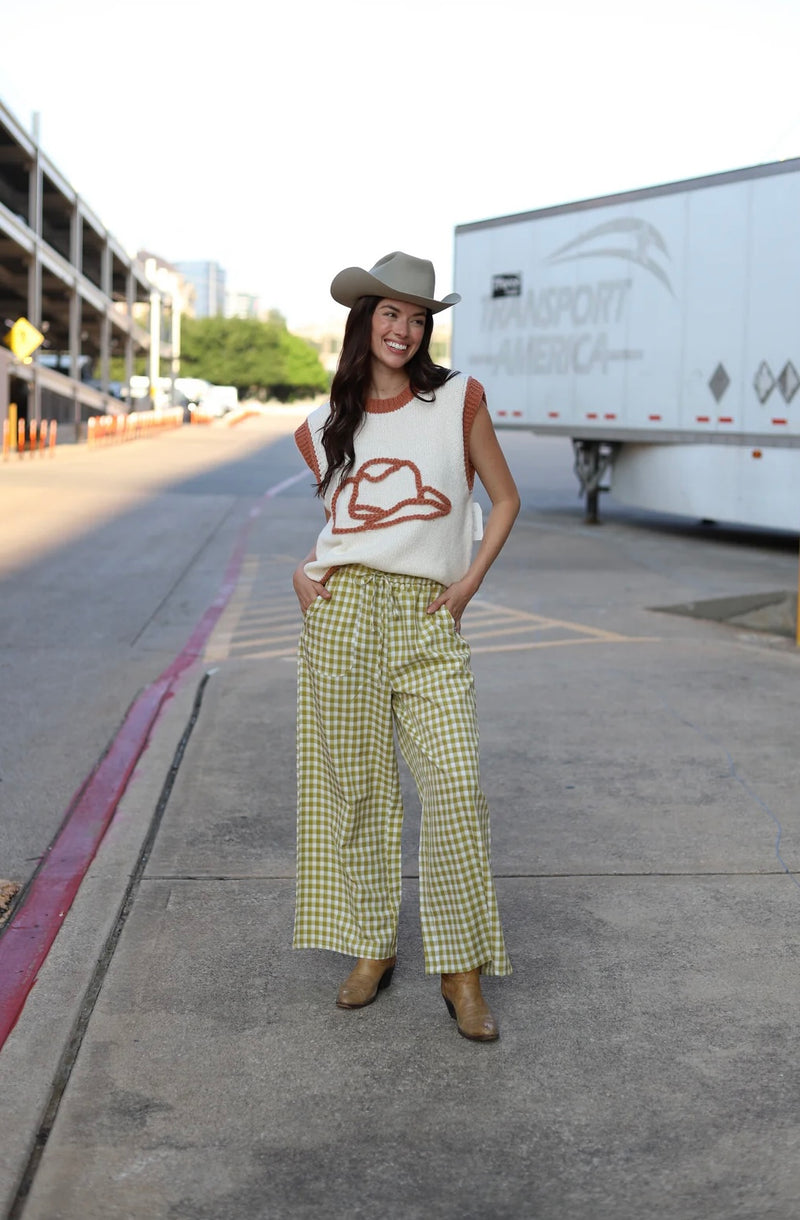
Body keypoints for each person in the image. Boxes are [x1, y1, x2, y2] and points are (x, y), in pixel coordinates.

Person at [292, 251, 520, 1042]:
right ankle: (371, 948)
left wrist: (467, 587)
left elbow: (506, 498)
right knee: (357, 794)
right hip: (344, 613)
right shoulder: (324, 427)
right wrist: (304, 572)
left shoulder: (457, 398)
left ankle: (462, 972)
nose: (405, 327)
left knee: (456, 786)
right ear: (365, 320)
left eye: (418, 317)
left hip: (427, 615)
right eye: (391, 312)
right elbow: (344, 526)